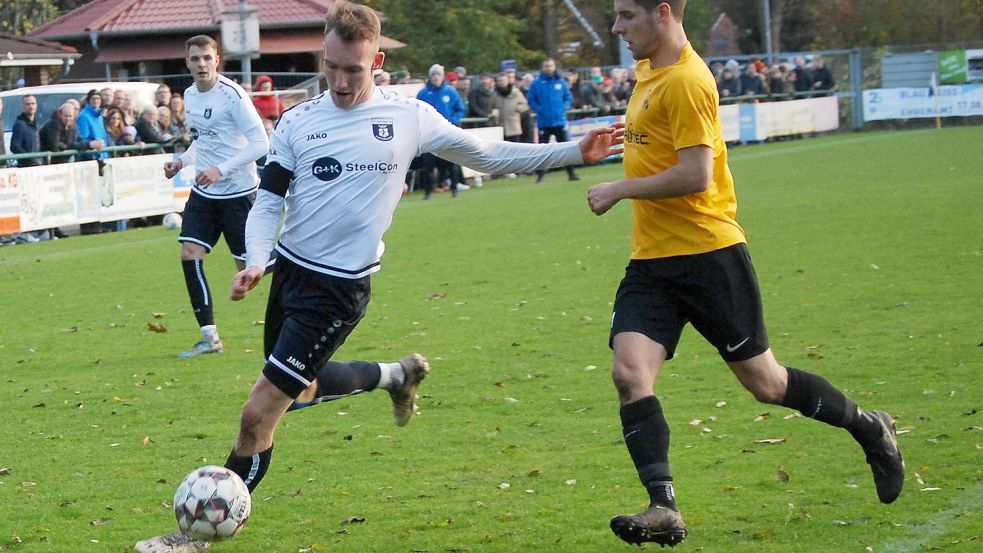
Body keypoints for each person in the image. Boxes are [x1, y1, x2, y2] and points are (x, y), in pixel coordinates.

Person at [133, 3, 622, 551]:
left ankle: (196, 536)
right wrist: (254, 258)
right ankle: (397, 375)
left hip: (339, 290)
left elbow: (487, 154)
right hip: (289, 274)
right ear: (324, 56)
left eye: (354, 70)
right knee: (301, 390)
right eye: (332, 67)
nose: (341, 82)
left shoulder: (409, 117)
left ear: (378, 61)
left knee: (259, 411)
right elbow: (269, 200)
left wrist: (573, 150)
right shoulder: (298, 121)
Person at [589, 1, 905, 547]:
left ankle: (869, 426)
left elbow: (696, 173)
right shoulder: (648, 72)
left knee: (767, 383)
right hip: (652, 261)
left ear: (663, 13)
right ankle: (663, 506)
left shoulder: (688, 79)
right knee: (628, 373)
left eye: (625, 16)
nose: (617, 29)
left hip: (709, 256)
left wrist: (619, 188)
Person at [160, 34, 270, 359]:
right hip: (204, 194)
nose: (202, 64)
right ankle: (209, 337)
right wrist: (182, 160)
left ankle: (298, 268)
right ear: (187, 63)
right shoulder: (191, 95)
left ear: (217, 59)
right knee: (189, 254)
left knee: (249, 270)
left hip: (238, 195)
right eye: (195, 59)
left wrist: (221, 169)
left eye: (207, 57)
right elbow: (203, 141)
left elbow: (260, 143)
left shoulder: (233, 96)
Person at [415, 63, 466, 198]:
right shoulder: (423, 94)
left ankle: (454, 188)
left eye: (438, 74)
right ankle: (428, 192)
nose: (436, 77)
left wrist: (453, 122)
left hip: (448, 133)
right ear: (430, 76)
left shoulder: (451, 92)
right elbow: (416, 113)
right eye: (433, 74)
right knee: (428, 165)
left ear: (442, 76)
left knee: (452, 163)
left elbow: (460, 109)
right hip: (429, 134)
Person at [527, 58, 579, 183]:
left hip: (559, 121)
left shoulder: (561, 82)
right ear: (542, 67)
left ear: (555, 66)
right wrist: (540, 109)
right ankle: (540, 176)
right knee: (543, 151)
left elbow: (568, 97)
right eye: (546, 66)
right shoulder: (536, 83)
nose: (548, 68)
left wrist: (563, 107)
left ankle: (571, 174)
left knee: (565, 149)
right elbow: (531, 99)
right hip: (544, 122)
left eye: (550, 65)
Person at [491, 71, 529, 142]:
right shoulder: (495, 94)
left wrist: (516, 108)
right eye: (499, 81)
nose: (501, 82)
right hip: (500, 128)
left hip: (514, 127)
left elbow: (525, 105)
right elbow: (492, 106)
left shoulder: (516, 93)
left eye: (503, 80)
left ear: (507, 81)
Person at [75, 90, 109, 160]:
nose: (96, 101)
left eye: (98, 98)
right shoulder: (83, 116)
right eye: (93, 99)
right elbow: (82, 138)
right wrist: (93, 144)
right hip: (91, 156)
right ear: (88, 100)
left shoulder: (99, 116)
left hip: (103, 154)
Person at [10, 94, 42, 167]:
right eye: (27, 104)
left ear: (36, 105)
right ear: (23, 106)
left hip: (38, 165)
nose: (31, 106)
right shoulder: (20, 125)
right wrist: (30, 159)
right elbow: (14, 147)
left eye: (33, 103)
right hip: (26, 167)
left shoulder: (36, 124)